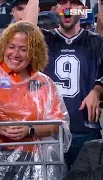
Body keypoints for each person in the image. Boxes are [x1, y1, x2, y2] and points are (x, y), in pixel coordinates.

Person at [0, 21, 71, 179]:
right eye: (11, 46)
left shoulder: (45, 83)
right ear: (3, 46)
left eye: (23, 49)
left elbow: (58, 124)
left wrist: (29, 129)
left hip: (31, 160)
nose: (15, 54)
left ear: (34, 53)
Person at [23, 0, 103, 170]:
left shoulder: (98, 42)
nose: (68, 8)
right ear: (57, 9)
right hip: (49, 132)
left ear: (82, 11)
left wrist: (97, 90)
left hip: (85, 129)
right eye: (63, 3)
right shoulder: (45, 39)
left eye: (73, 4)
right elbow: (25, 28)